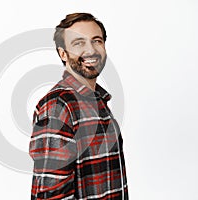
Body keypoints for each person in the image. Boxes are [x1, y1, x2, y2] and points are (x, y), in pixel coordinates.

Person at [29, 13, 128, 199]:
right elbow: (52, 195)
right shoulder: (58, 106)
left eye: (96, 41)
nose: (91, 50)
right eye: (79, 43)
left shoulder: (97, 100)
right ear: (63, 53)